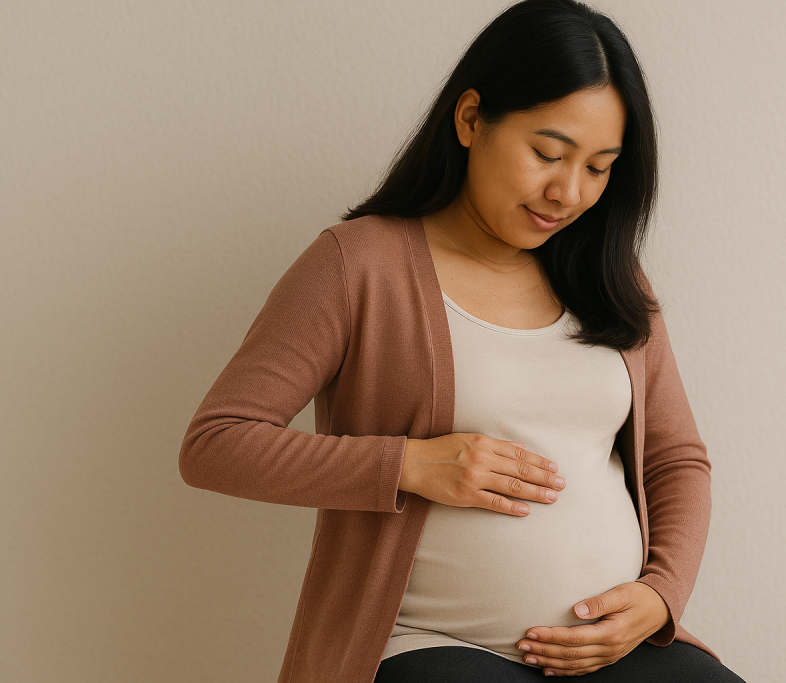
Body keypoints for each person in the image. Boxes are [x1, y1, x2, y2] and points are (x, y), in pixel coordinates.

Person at [179, 0, 745, 680]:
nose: (568, 191)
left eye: (599, 167)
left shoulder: (609, 275)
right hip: (428, 641)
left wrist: (660, 595)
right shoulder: (358, 264)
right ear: (471, 118)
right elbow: (215, 443)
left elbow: (677, 459)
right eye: (547, 152)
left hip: (606, 650)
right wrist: (409, 465)